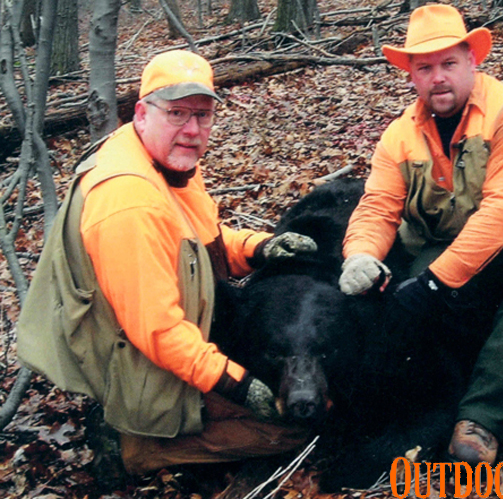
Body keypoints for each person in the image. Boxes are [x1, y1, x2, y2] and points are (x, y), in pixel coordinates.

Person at [18, 50, 317, 475]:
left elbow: (197, 245)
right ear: (141, 113)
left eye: (203, 115)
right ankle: (136, 449)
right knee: (289, 428)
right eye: (176, 113)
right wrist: (237, 384)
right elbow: (158, 331)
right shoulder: (129, 200)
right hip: (132, 360)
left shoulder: (165, 163)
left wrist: (259, 248)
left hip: (156, 340)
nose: (192, 130)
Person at [338, 4, 503, 466]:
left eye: (448, 64)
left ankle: (482, 420)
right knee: (406, 285)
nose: (438, 77)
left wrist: (436, 284)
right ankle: (433, 398)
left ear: (471, 63)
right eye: (425, 68)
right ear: (412, 76)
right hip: (457, 248)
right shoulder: (399, 135)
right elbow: (378, 206)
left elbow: (500, 213)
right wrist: (359, 256)